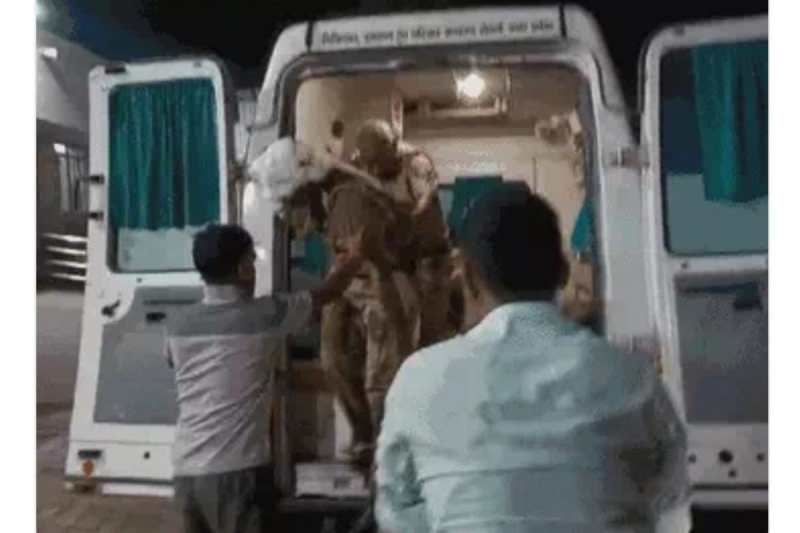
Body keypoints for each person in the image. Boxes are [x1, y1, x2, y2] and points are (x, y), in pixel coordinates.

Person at [375, 188, 689, 533]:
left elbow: (396, 511)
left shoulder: (419, 379)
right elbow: (669, 498)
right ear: (563, 272)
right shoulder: (632, 378)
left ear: (468, 279)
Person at [164, 223, 366, 533]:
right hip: (238, 474)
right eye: (251, 261)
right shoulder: (264, 315)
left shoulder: (178, 324)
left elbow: (173, 362)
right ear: (243, 269)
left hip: (186, 475)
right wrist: (356, 257)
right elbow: (329, 292)